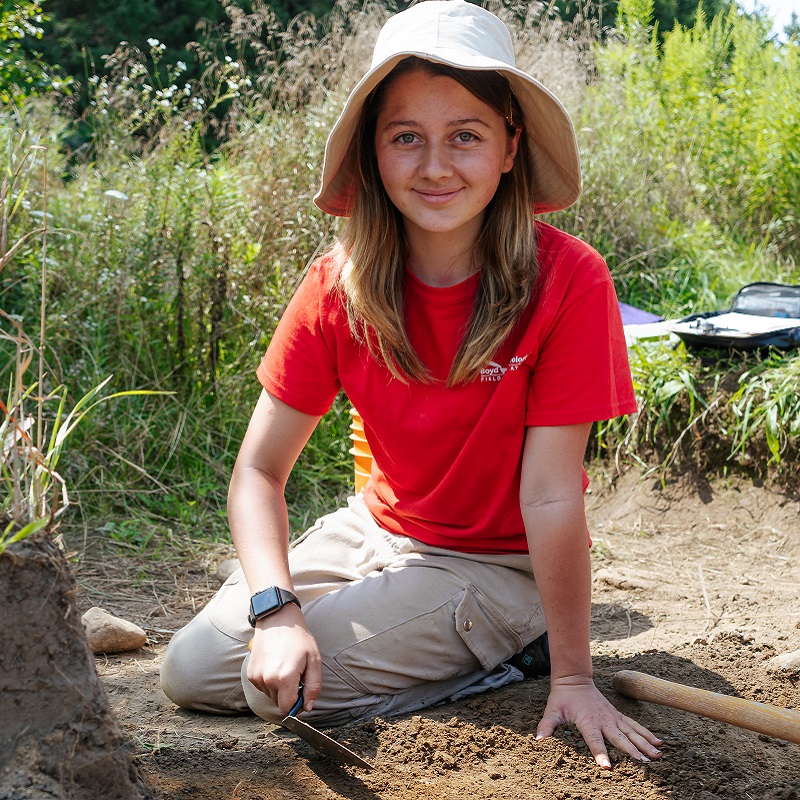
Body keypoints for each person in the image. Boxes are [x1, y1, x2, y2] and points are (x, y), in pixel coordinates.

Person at [160, 0, 663, 770]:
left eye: (466, 135)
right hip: (379, 530)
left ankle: (516, 657)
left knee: (273, 695)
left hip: (499, 563)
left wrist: (575, 675)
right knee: (190, 670)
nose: (435, 165)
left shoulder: (568, 279)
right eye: (406, 138)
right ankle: (390, 633)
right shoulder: (337, 285)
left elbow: (552, 496)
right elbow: (259, 471)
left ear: (509, 149)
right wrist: (278, 609)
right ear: (372, 152)